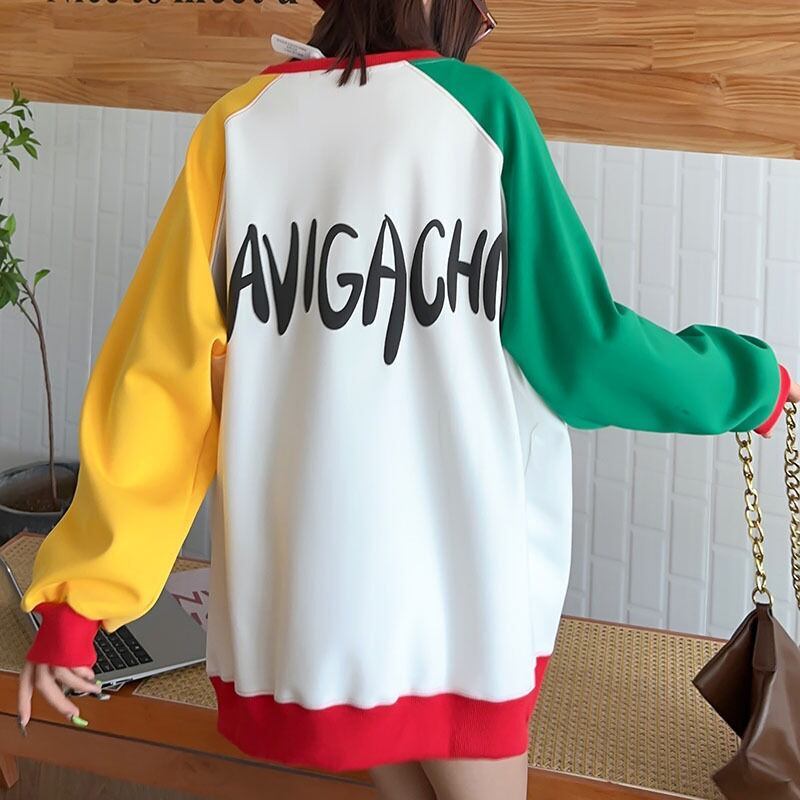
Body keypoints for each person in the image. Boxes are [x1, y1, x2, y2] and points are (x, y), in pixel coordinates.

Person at [15, 0, 799, 798]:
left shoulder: (239, 125)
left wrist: (81, 601)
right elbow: (586, 353)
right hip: (454, 593)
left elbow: (160, 380)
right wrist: (749, 381)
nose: (476, 29)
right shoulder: (480, 113)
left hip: (310, 603)